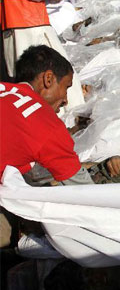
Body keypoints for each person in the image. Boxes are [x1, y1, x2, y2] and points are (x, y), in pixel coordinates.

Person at [0, 45, 92, 185]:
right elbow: (87, 193)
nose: (66, 100)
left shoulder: (4, 89)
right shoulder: (45, 124)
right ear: (48, 79)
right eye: (66, 87)